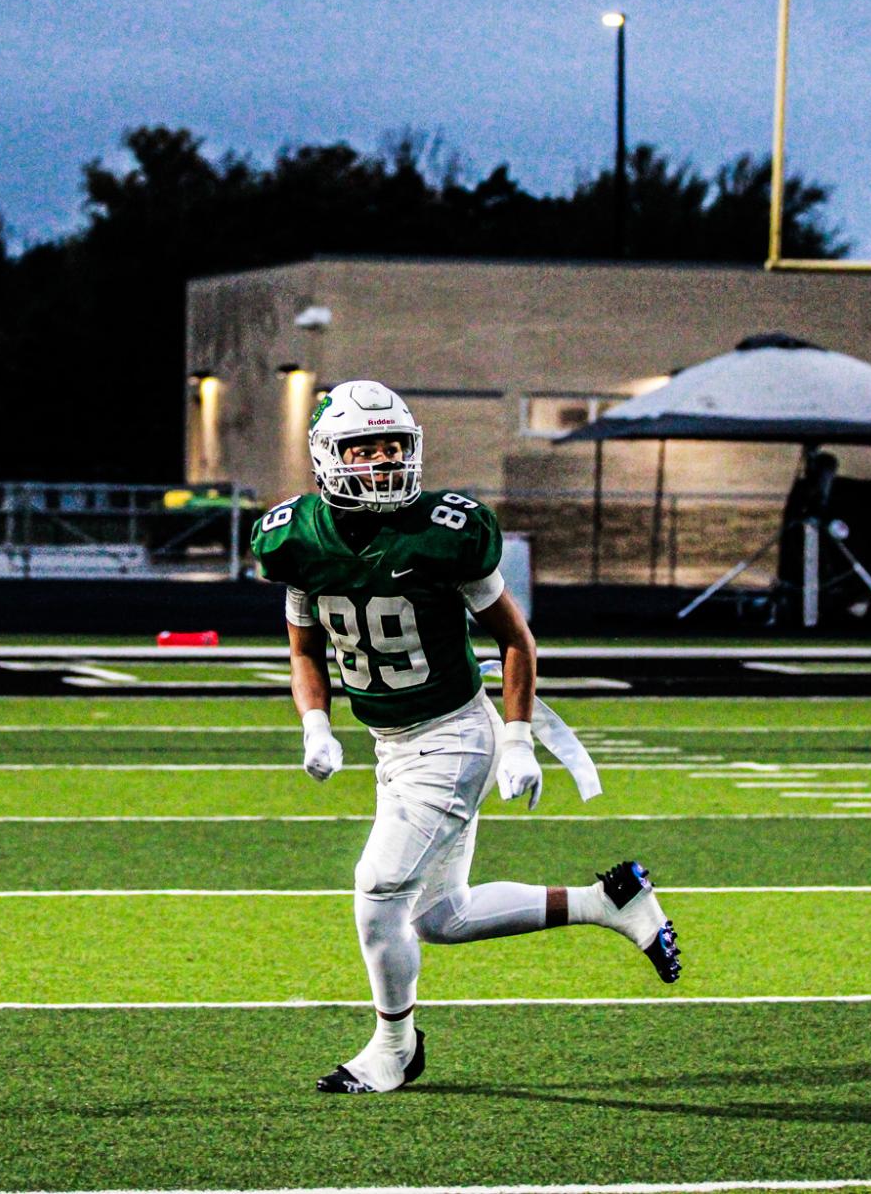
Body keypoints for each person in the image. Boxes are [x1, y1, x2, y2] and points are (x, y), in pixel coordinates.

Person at [251, 379, 680, 1096]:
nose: (382, 463)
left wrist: (516, 738)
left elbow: (514, 638)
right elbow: (303, 647)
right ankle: (608, 902)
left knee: (378, 891)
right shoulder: (291, 537)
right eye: (363, 449)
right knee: (440, 918)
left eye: (393, 447)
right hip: (393, 743)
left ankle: (394, 1047)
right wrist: (316, 725)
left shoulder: (446, 529)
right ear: (326, 456)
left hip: (452, 736)